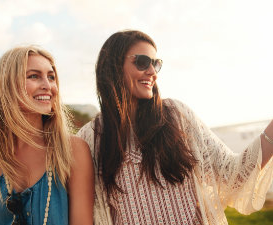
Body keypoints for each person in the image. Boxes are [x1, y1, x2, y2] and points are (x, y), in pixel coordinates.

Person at [77, 30, 273, 225]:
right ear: (113, 65)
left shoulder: (177, 115)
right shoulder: (90, 138)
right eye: (142, 62)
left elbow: (234, 176)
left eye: (156, 64)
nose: (152, 72)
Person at [0, 45, 94, 225]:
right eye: (34, 76)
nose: (48, 86)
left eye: (51, 77)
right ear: (7, 85)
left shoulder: (72, 150)